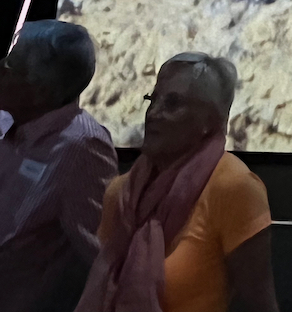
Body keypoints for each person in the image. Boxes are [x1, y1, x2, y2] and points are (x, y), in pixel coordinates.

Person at [77, 52, 280, 312]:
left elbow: (259, 304)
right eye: (153, 100)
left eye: (173, 104)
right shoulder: (122, 192)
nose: (154, 114)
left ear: (209, 121)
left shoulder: (234, 187)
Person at [0, 19, 118, 312]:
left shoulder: (82, 147)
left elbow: (103, 257)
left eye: (11, 66)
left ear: (41, 88)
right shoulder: (6, 121)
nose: (1, 68)